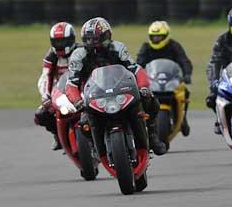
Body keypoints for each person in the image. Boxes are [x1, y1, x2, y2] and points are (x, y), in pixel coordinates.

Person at [64, 17, 167, 156]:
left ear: (107, 36)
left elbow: (136, 69)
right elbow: (71, 83)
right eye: (88, 39)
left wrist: (143, 87)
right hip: (94, 96)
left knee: (151, 102)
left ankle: (152, 136)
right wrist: (77, 101)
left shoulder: (118, 48)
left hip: (121, 90)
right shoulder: (78, 55)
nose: (93, 42)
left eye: (96, 38)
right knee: (83, 123)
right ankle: (95, 145)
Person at [136, 20, 193, 136]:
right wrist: (136, 76)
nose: (156, 39)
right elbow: (139, 64)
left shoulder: (174, 46)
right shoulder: (146, 48)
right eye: (154, 37)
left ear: (166, 36)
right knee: (140, 97)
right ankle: (143, 121)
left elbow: (184, 61)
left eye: (159, 37)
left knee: (185, 92)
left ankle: (183, 118)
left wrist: (187, 74)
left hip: (172, 80)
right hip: (152, 81)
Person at [34, 22, 77, 150]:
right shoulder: (51, 57)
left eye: (63, 41)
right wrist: (46, 96)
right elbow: (45, 76)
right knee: (41, 115)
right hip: (60, 92)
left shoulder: (81, 51)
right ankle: (58, 135)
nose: (60, 45)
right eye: (57, 42)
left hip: (80, 90)